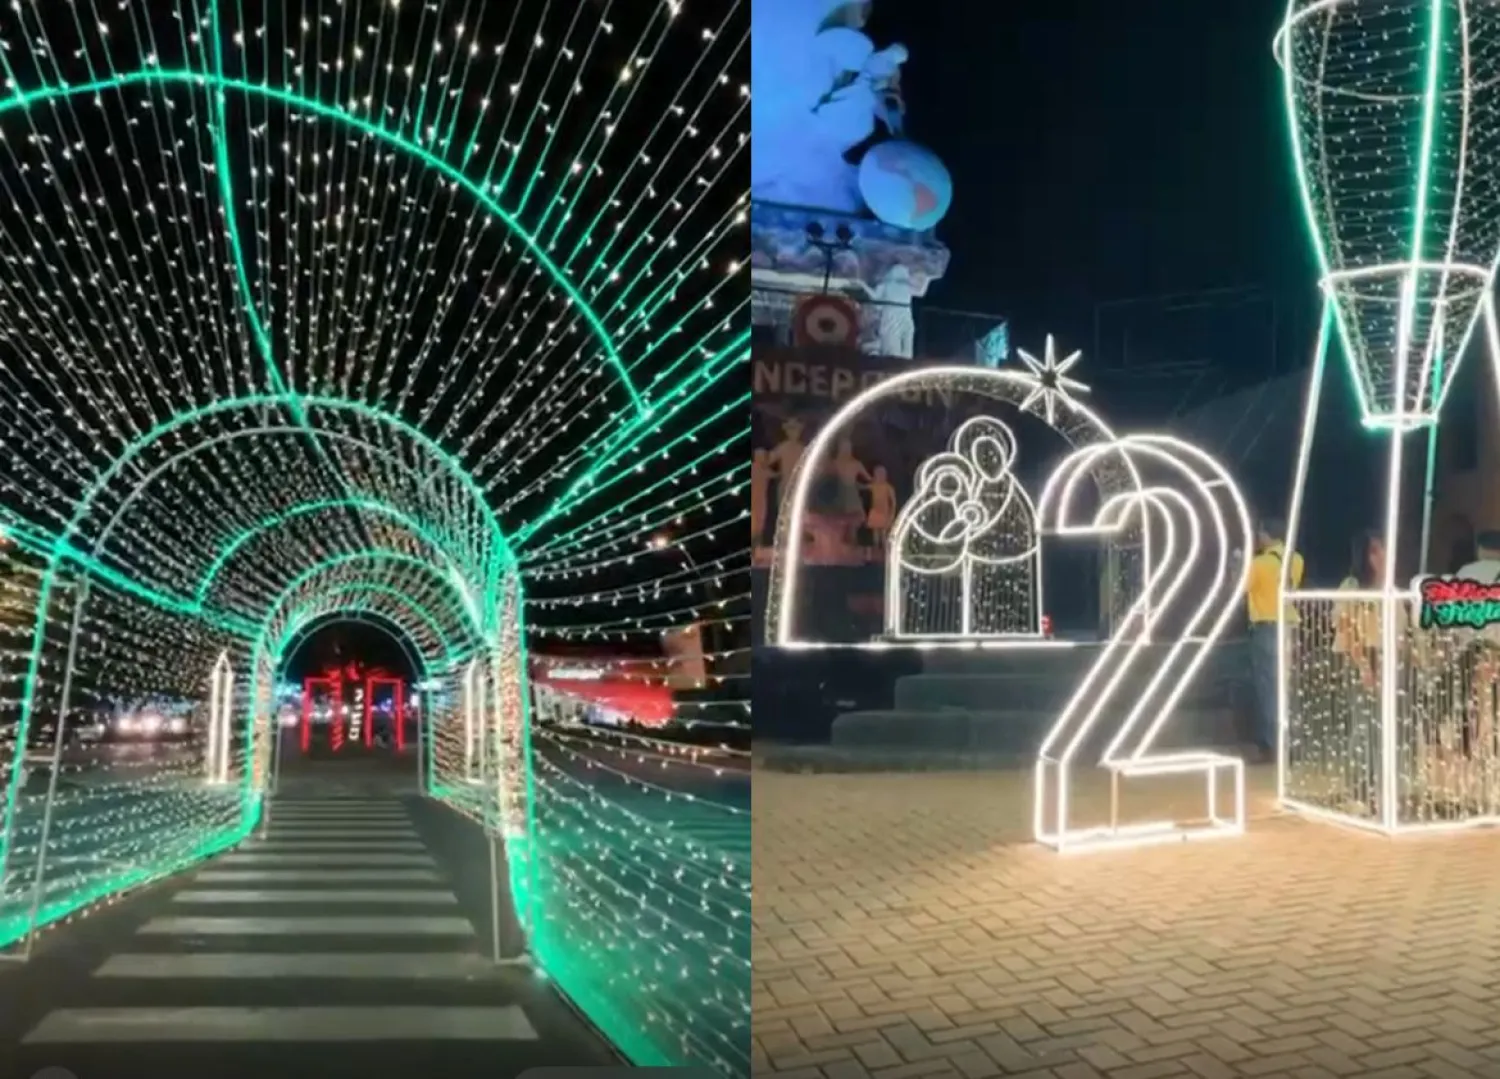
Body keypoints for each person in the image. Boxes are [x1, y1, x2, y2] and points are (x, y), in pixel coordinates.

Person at [1245, 517, 1304, 762]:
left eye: (1260, 533)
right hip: (1290, 626)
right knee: (1287, 688)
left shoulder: (1258, 563)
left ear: (1267, 535)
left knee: (1268, 688)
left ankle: (1272, 745)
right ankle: (1294, 743)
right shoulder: (1297, 559)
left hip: (1266, 627)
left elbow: (1241, 588)